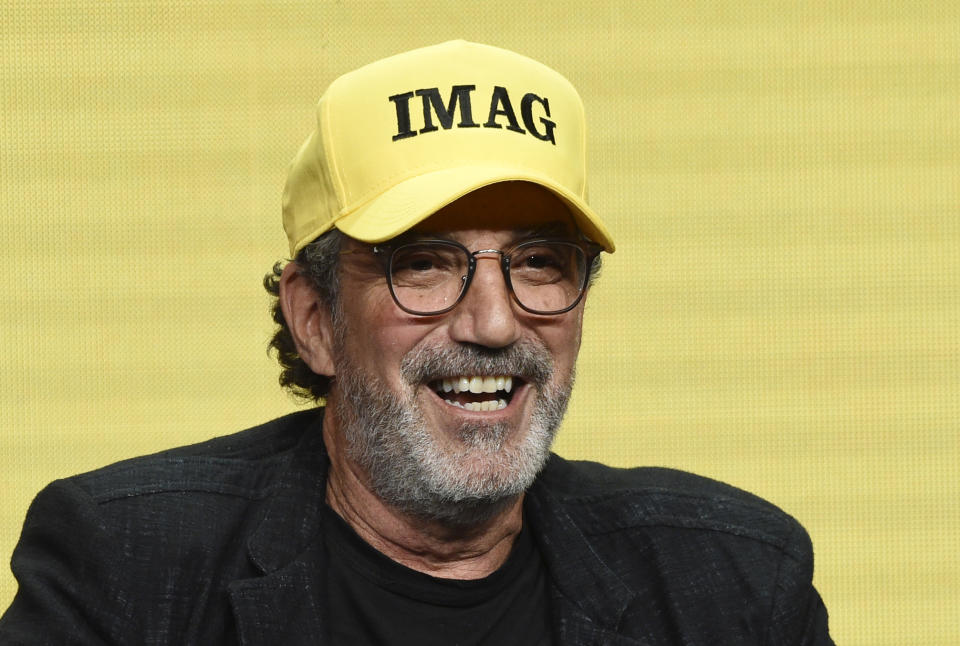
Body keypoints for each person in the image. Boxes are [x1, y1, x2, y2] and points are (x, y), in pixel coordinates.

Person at [0, 41, 833, 644]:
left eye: (540, 262)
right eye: (423, 265)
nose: (495, 323)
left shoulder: (738, 585)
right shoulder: (128, 568)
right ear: (316, 319)